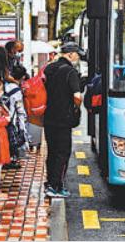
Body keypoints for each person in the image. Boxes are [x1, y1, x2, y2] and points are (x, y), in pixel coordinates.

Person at [43, 42, 84, 198]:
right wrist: (76, 107)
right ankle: (56, 186)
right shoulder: (70, 72)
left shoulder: (49, 69)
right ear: (70, 54)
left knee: (52, 152)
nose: (78, 57)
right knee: (62, 153)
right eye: (77, 54)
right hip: (63, 118)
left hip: (48, 116)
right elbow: (77, 96)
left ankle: (49, 183)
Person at [2, 65, 30, 170]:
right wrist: (23, 129)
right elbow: (20, 110)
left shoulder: (3, 85)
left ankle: (4, 160)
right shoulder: (16, 90)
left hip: (0, 118)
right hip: (11, 120)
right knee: (12, 139)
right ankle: (9, 160)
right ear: (22, 77)